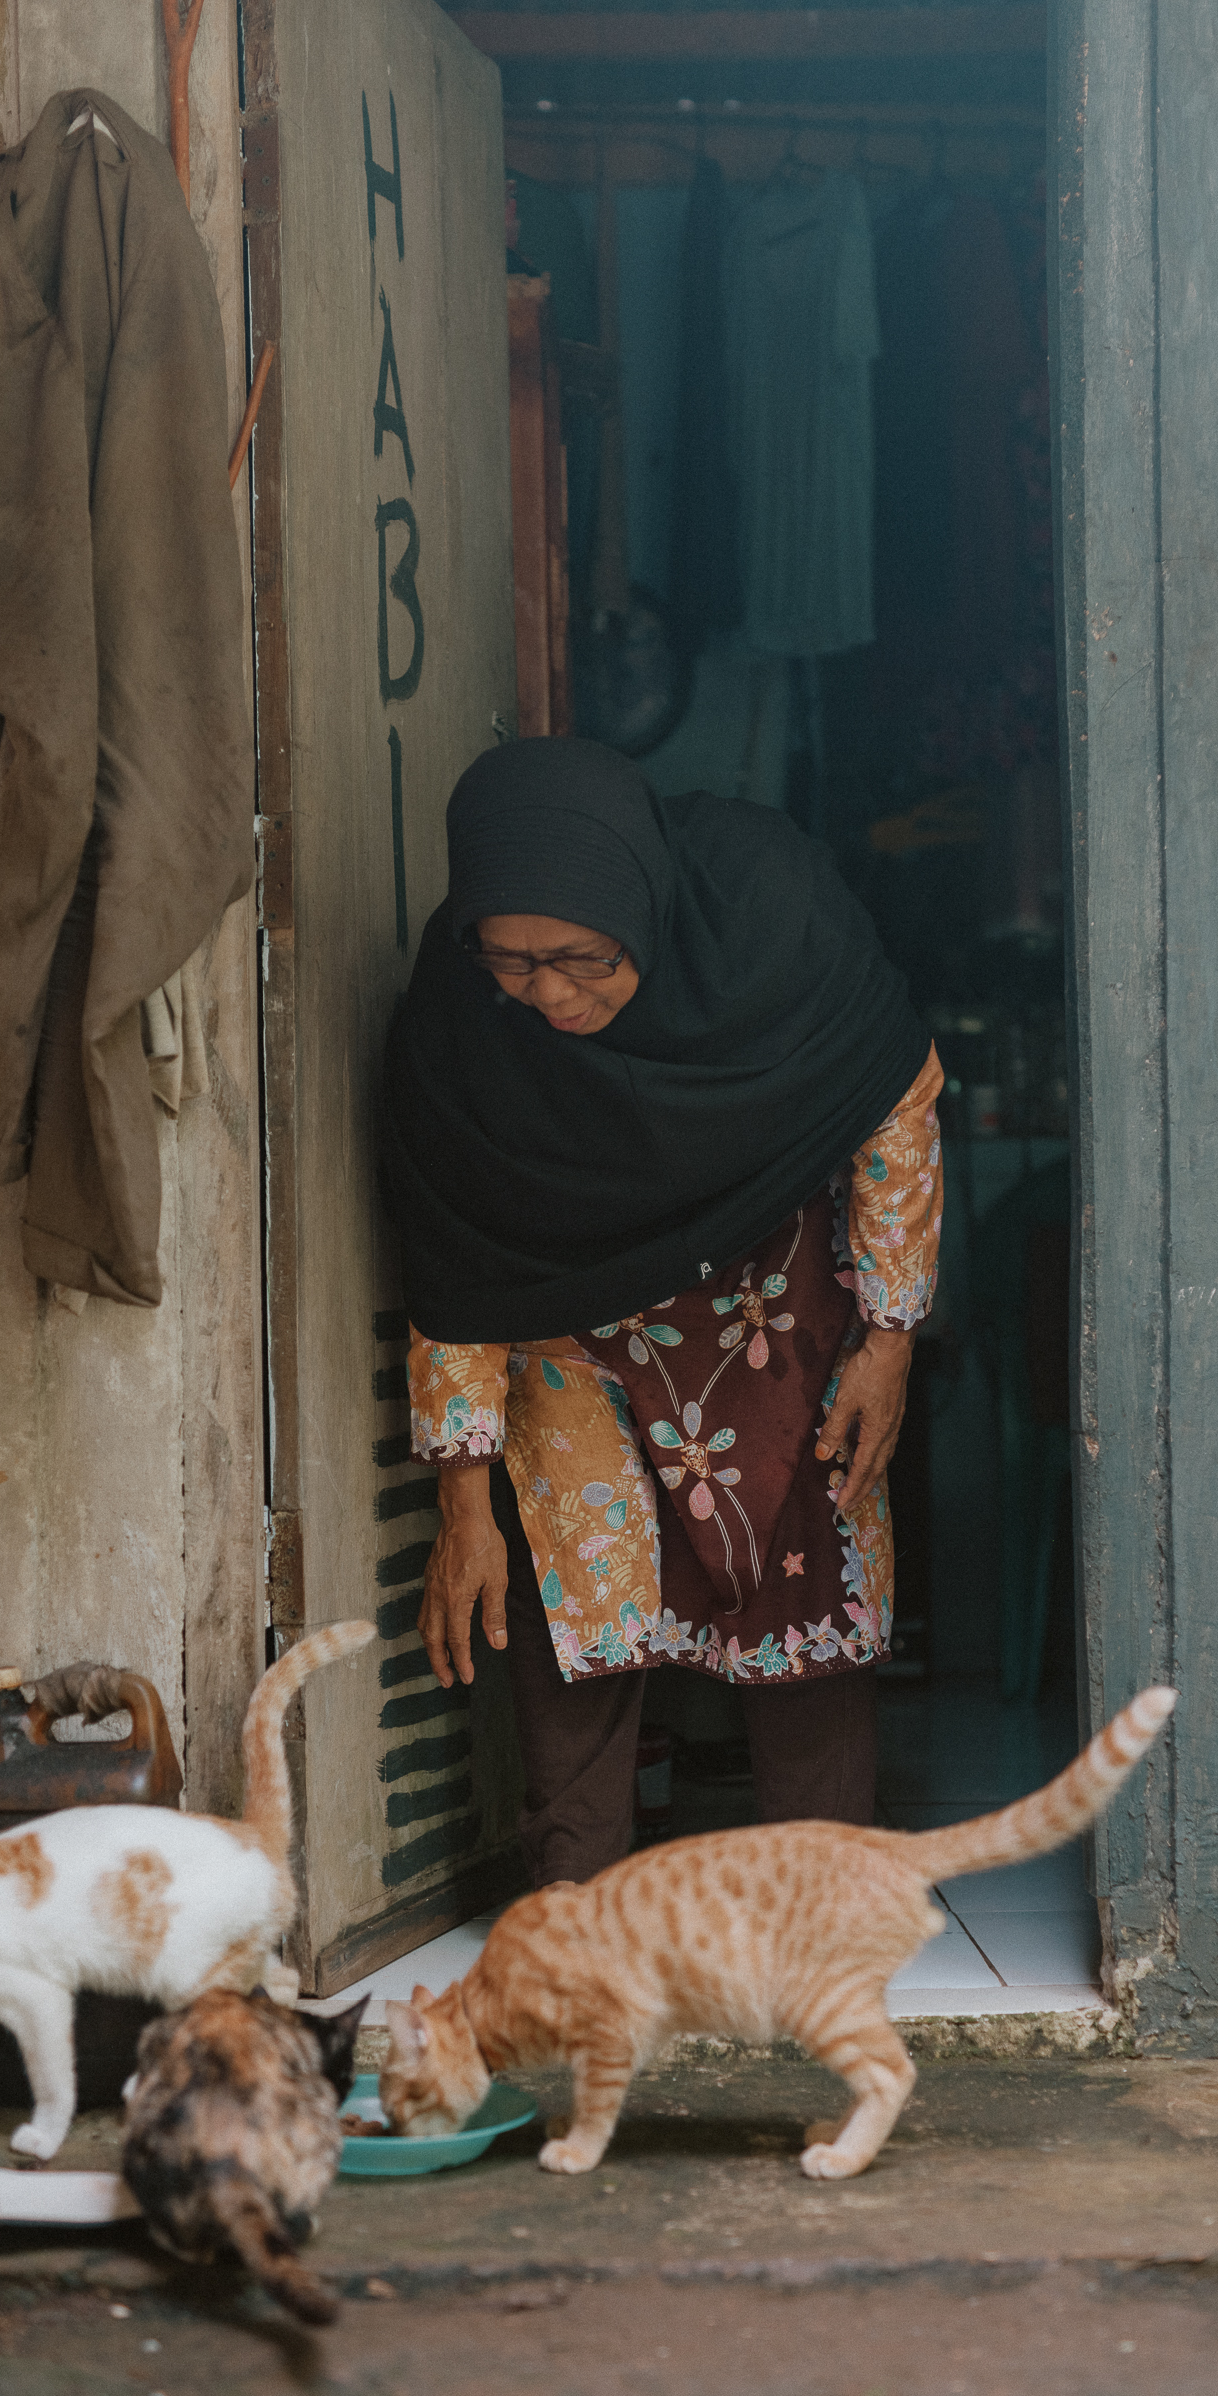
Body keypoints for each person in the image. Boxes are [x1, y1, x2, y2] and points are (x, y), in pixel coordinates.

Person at [380, 738, 944, 1886]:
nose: (550, 994)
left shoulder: (771, 919)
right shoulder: (455, 1034)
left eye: (583, 959)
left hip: (770, 1316)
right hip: (570, 1338)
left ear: (640, 907)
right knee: (572, 1600)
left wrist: (890, 1337)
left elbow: (897, 1095)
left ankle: (825, 1893)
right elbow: (454, 1267)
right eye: (513, 963)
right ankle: (575, 1908)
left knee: (807, 1582)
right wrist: (465, 1495)